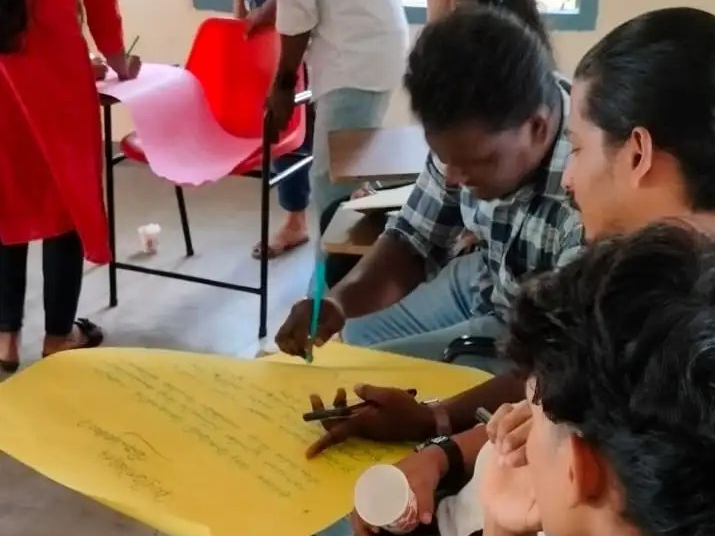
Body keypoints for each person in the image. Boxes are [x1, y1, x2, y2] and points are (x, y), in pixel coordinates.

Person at [342, 7, 715, 536]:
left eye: (578, 148)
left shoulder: (649, 320)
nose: (569, 178)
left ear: (637, 154)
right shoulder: (645, 281)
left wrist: (494, 503)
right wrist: (445, 450)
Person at [276, 5, 583, 365]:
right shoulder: (472, 129)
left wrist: (432, 403)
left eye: (476, 160)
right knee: (356, 330)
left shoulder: (588, 190)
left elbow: (562, 366)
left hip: (545, 340)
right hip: (489, 279)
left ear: (538, 128)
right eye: (443, 157)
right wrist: (337, 303)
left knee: (374, 370)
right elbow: (413, 239)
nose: (452, 178)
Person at [0, 0, 139, 372]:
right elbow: (102, 11)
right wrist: (120, 63)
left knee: (7, 205)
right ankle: (57, 337)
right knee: (66, 202)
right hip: (57, 84)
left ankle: (6, 339)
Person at [253, 0, 408, 231]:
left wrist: (284, 85)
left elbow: (297, 14)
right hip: (368, 48)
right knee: (346, 178)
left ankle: (333, 254)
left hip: (355, 60)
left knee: (332, 187)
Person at [235, 0, 314, 260]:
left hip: (306, 50)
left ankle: (299, 222)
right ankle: (296, 222)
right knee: (290, 135)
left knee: (295, 132)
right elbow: (243, 22)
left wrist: (260, 15)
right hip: (286, 52)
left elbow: (278, 10)